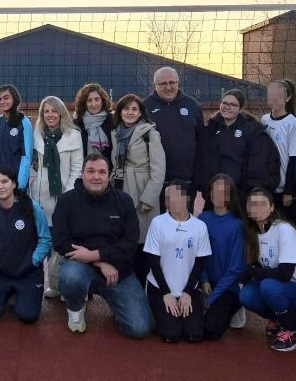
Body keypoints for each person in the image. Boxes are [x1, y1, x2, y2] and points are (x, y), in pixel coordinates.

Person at [51, 154, 151, 338]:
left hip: (118, 270)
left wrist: (97, 255)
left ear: (109, 175)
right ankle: (76, 309)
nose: (96, 176)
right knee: (70, 276)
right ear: (82, 173)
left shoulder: (124, 201)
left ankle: (116, 301)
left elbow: (130, 242)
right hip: (81, 266)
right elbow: (60, 241)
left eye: (102, 172)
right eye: (91, 171)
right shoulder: (66, 201)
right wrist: (98, 261)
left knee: (139, 329)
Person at [239, 188, 296, 352]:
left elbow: (285, 274)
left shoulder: (284, 230)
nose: (256, 208)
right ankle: (278, 318)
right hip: (278, 287)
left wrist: (253, 272)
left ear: (272, 207)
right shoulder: (252, 233)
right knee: (246, 295)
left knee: (267, 285)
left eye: (262, 204)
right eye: (252, 204)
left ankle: (295, 331)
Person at [0, 167, 51, 324]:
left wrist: (33, 260)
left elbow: (45, 239)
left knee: (27, 316)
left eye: (5, 181)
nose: (0, 186)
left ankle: (20, 294)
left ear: (13, 184)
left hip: (27, 271)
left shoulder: (31, 207)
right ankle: (9, 293)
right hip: (0, 271)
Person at [144, 181, 212, 343]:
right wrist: (166, 293)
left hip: (188, 289)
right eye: (167, 198)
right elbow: (152, 261)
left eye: (175, 197)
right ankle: (155, 310)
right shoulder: (158, 223)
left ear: (186, 199)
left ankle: (187, 308)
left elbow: (200, 262)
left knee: (194, 335)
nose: (170, 201)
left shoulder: (199, 226)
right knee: (171, 335)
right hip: (160, 288)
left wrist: (187, 292)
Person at [29, 96, 83, 299]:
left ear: (62, 113)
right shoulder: (37, 135)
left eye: (54, 111)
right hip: (39, 197)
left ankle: (61, 284)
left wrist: (68, 193)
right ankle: (47, 283)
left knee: (61, 242)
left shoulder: (73, 135)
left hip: (63, 197)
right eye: (46, 111)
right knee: (43, 238)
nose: (50, 115)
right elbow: (32, 164)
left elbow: (78, 167)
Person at [111, 94, 166, 286]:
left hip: (141, 190)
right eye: (126, 109)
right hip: (119, 189)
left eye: (134, 109)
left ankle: (142, 287)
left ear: (141, 112)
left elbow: (159, 170)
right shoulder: (115, 133)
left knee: (142, 243)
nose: (130, 113)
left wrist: (148, 198)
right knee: (124, 240)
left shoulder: (150, 134)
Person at [197, 89, 280, 208]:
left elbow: (264, 163)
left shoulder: (253, 131)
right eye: (225, 103)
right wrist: (204, 186)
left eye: (233, 105)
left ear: (240, 109)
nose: (228, 107)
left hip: (240, 196)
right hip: (215, 194)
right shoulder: (210, 129)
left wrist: (256, 189)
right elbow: (202, 159)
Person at [143, 67, 204, 212]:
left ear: (178, 82)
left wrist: (198, 176)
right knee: (157, 225)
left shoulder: (192, 105)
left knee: (182, 225)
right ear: (155, 86)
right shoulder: (145, 106)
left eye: (172, 82)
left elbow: (202, 143)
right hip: (155, 182)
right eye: (163, 83)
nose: (168, 87)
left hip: (186, 181)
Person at [198, 174, 246, 340]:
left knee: (210, 330)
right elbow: (198, 256)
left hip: (227, 287)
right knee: (190, 327)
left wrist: (212, 298)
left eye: (223, 192)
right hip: (204, 284)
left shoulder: (237, 225)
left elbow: (235, 270)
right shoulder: (203, 219)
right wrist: (203, 280)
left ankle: (235, 308)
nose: (218, 195)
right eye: (214, 191)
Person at [261, 79, 296, 229]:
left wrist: (289, 191)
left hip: (286, 190)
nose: (274, 98)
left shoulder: (292, 123)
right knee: (269, 229)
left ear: (288, 97)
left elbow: (294, 159)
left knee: (290, 230)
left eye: (279, 95)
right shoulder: (264, 120)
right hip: (270, 188)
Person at [0, 84, 33, 191]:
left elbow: (26, 156)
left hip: (16, 181)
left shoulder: (24, 122)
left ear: (14, 99)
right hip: (0, 181)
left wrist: (20, 183)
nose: (2, 101)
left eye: (6, 98)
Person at [72, 83, 114, 163]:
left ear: (102, 101)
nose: (93, 104)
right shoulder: (77, 124)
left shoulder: (112, 121)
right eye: (89, 100)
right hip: (83, 172)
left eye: (97, 99)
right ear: (84, 103)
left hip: (107, 172)